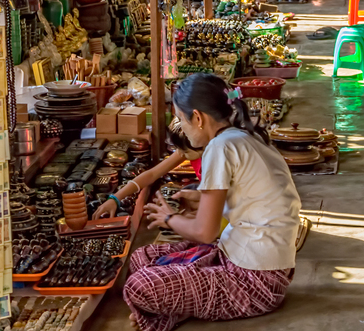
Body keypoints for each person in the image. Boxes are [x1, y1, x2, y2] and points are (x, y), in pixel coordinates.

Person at [122, 74, 300, 331]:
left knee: (140, 286)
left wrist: (169, 219)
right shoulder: (245, 136)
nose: (182, 128)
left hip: (255, 280)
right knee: (142, 257)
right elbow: (249, 197)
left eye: (182, 120)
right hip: (244, 258)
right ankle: (177, 309)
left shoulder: (220, 146)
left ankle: (169, 312)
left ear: (198, 117)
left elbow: (205, 232)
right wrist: (199, 198)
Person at [93, 120, 204, 219]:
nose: (180, 154)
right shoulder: (188, 150)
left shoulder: (213, 157)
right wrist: (115, 198)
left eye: (185, 152)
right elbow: (152, 174)